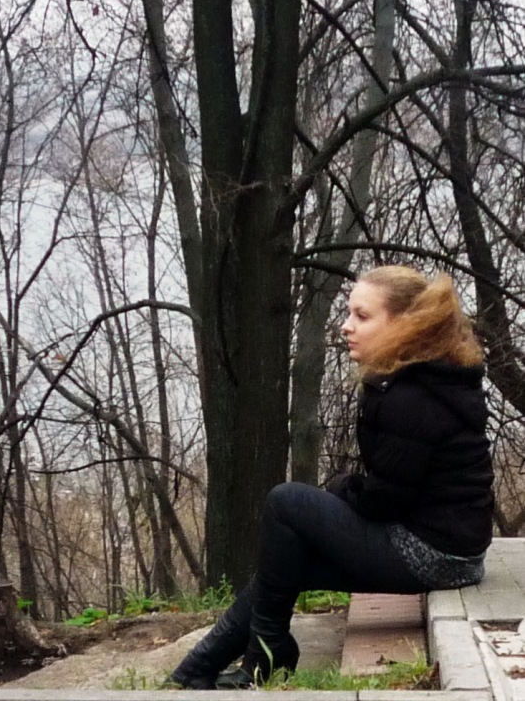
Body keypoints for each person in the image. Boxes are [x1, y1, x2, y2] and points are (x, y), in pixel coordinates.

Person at [170, 265, 494, 689]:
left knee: (286, 501)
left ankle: (261, 654)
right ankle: (205, 667)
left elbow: (385, 501)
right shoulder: (422, 379)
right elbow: (397, 487)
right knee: (288, 559)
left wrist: (342, 489)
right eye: (348, 313)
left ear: (405, 324)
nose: (346, 326)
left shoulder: (411, 397)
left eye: (362, 316)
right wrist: (346, 495)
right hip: (449, 549)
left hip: (436, 556)